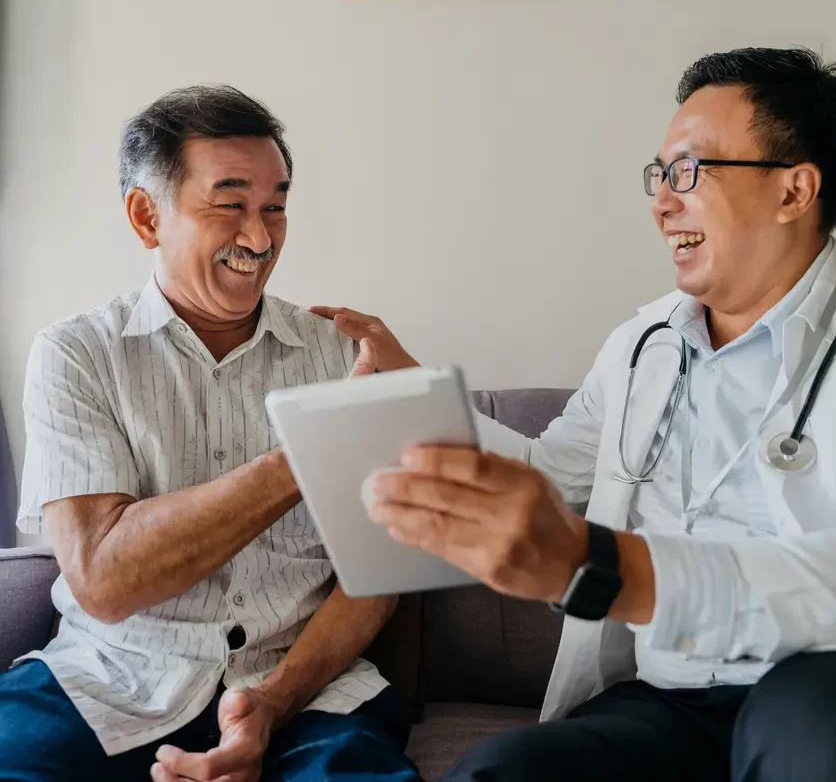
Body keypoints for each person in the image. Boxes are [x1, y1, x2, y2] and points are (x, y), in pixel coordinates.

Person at [316, 47, 836, 782]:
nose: (661, 201)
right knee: (497, 774)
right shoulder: (641, 346)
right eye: (658, 176)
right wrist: (414, 387)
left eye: (689, 171)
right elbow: (550, 473)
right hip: (667, 699)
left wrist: (606, 569)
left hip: (812, 688)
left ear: (794, 191)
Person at [0, 86, 420, 782]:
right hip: (105, 681)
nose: (260, 239)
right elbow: (104, 578)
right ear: (146, 215)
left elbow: (376, 575)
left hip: (307, 690)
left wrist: (274, 701)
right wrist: (312, 447)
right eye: (230, 205)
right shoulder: (75, 354)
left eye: (275, 206)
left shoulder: (345, 354)